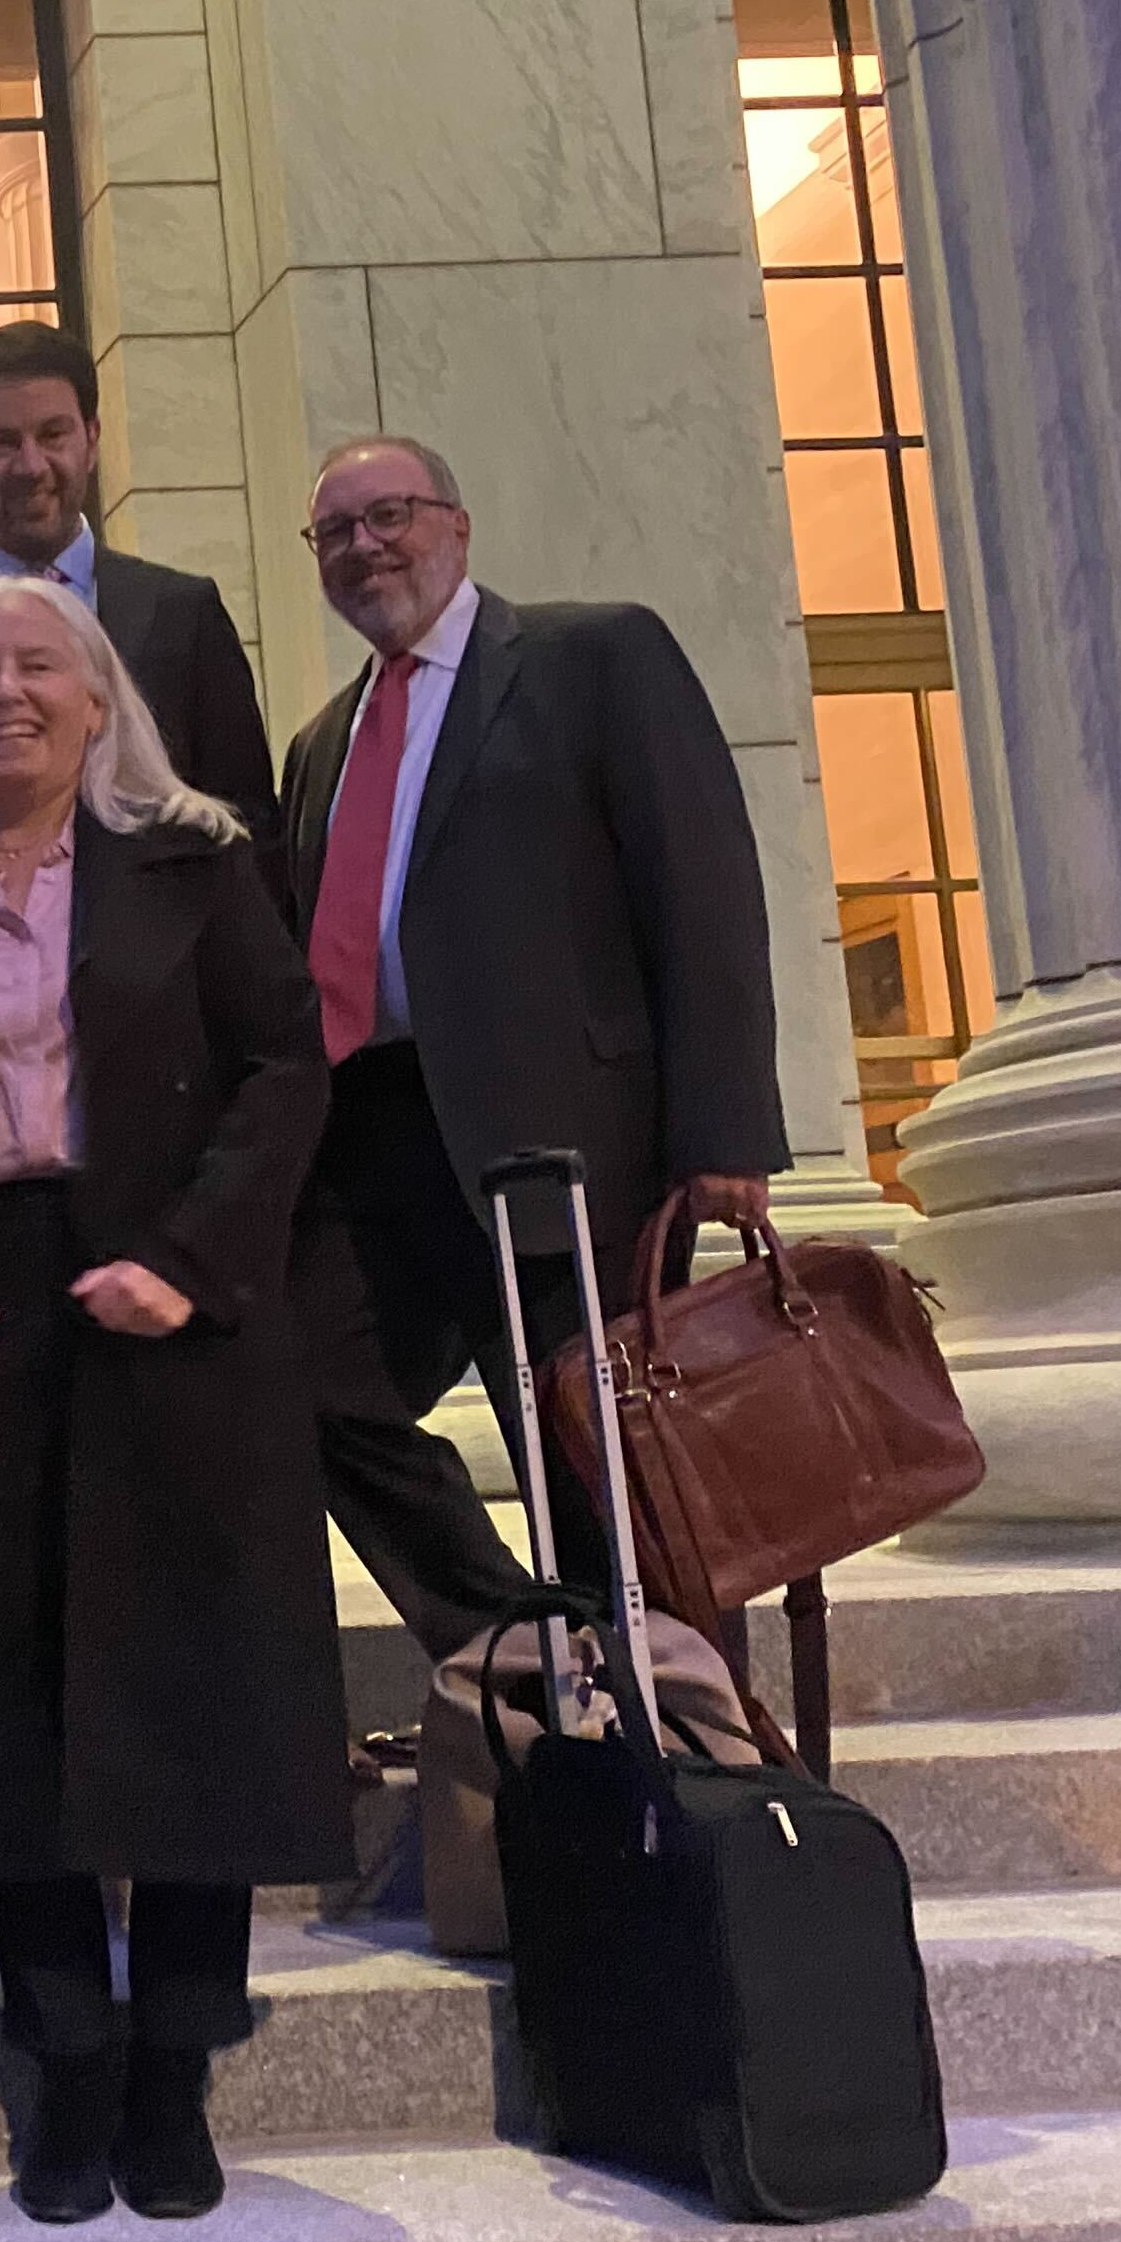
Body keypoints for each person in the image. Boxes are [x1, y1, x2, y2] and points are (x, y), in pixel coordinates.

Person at [0, 574, 348, 2225]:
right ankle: (67, 2055)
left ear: (98, 698)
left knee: (193, 1699)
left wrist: (189, 1253)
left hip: (173, 1316)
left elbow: (284, 1064)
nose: (5, 691)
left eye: (39, 663)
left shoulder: (198, 861)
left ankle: (172, 2071)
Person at [280, 435, 792, 1656]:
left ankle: (698, 1757)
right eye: (336, 533)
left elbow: (702, 889)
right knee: (298, 1382)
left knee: (605, 1469)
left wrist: (725, 1129)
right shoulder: (318, 747)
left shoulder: (591, 659)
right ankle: (520, 1634)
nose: (366, 547)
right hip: (379, 1145)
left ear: (457, 526)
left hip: (565, 1143)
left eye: (390, 514)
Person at [0, 321, 282, 839]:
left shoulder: (183, 614)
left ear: (92, 439)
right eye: (3, 442)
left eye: (53, 434)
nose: (32, 465)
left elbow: (247, 827)